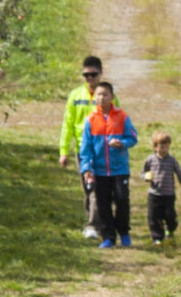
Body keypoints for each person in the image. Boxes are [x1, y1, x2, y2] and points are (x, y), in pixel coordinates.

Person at [79, 81, 138, 248]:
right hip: (99, 171)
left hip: (119, 169)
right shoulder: (90, 120)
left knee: (122, 200)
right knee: (103, 204)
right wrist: (86, 169)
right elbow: (85, 148)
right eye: (98, 94)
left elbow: (133, 137)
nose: (102, 97)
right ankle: (109, 237)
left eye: (105, 94)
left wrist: (122, 143)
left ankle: (124, 232)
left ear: (112, 97)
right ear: (94, 97)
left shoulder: (122, 117)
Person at [58, 55, 104, 237]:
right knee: (88, 189)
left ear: (101, 73)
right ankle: (95, 222)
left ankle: (93, 224)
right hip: (82, 151)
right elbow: (67, 124)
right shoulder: (75, 96)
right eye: (86, 75)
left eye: (93, 74)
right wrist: (63, 151)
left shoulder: (107, 95)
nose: (90, 78)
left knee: (97, 189)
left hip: (102, 150)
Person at [142, 131, 181, 245]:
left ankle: (170, 229)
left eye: (167, 147)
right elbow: (144, 171)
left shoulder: (172, 160)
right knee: (153, 216)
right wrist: (146, 177)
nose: (164, 150)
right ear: (155, 147)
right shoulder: (150, 160)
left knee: (169, 215)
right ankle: (157, 237)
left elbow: (179, 173)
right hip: (154, 193)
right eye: (161, 147)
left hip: (169, 194)